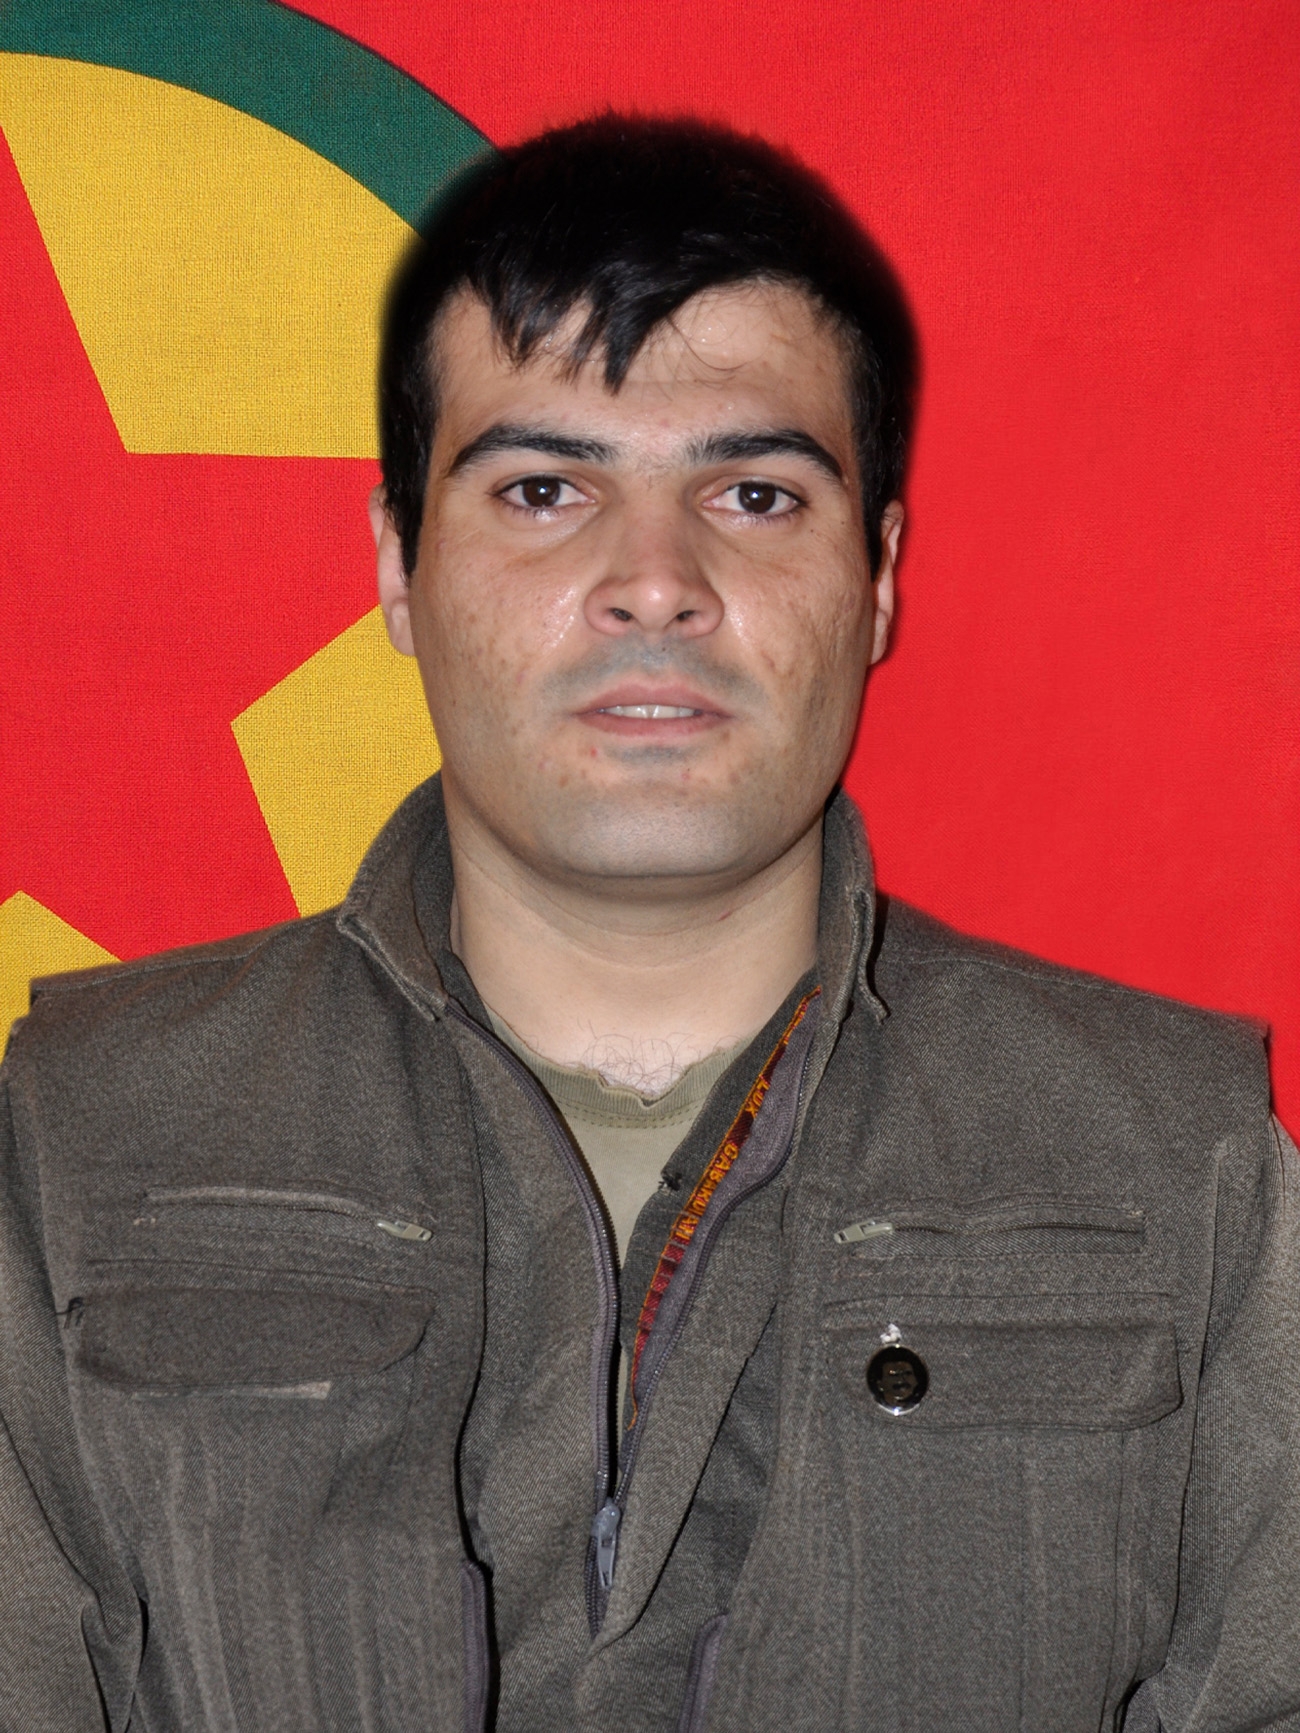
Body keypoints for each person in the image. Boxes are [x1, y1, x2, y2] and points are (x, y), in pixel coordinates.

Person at [0, 116, 1297, 1733]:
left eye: (754, 493)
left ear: (878, 577)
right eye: (545, 489)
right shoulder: (72, 1141)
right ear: (399, 564)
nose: (655, 580)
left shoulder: (1187, 1168)